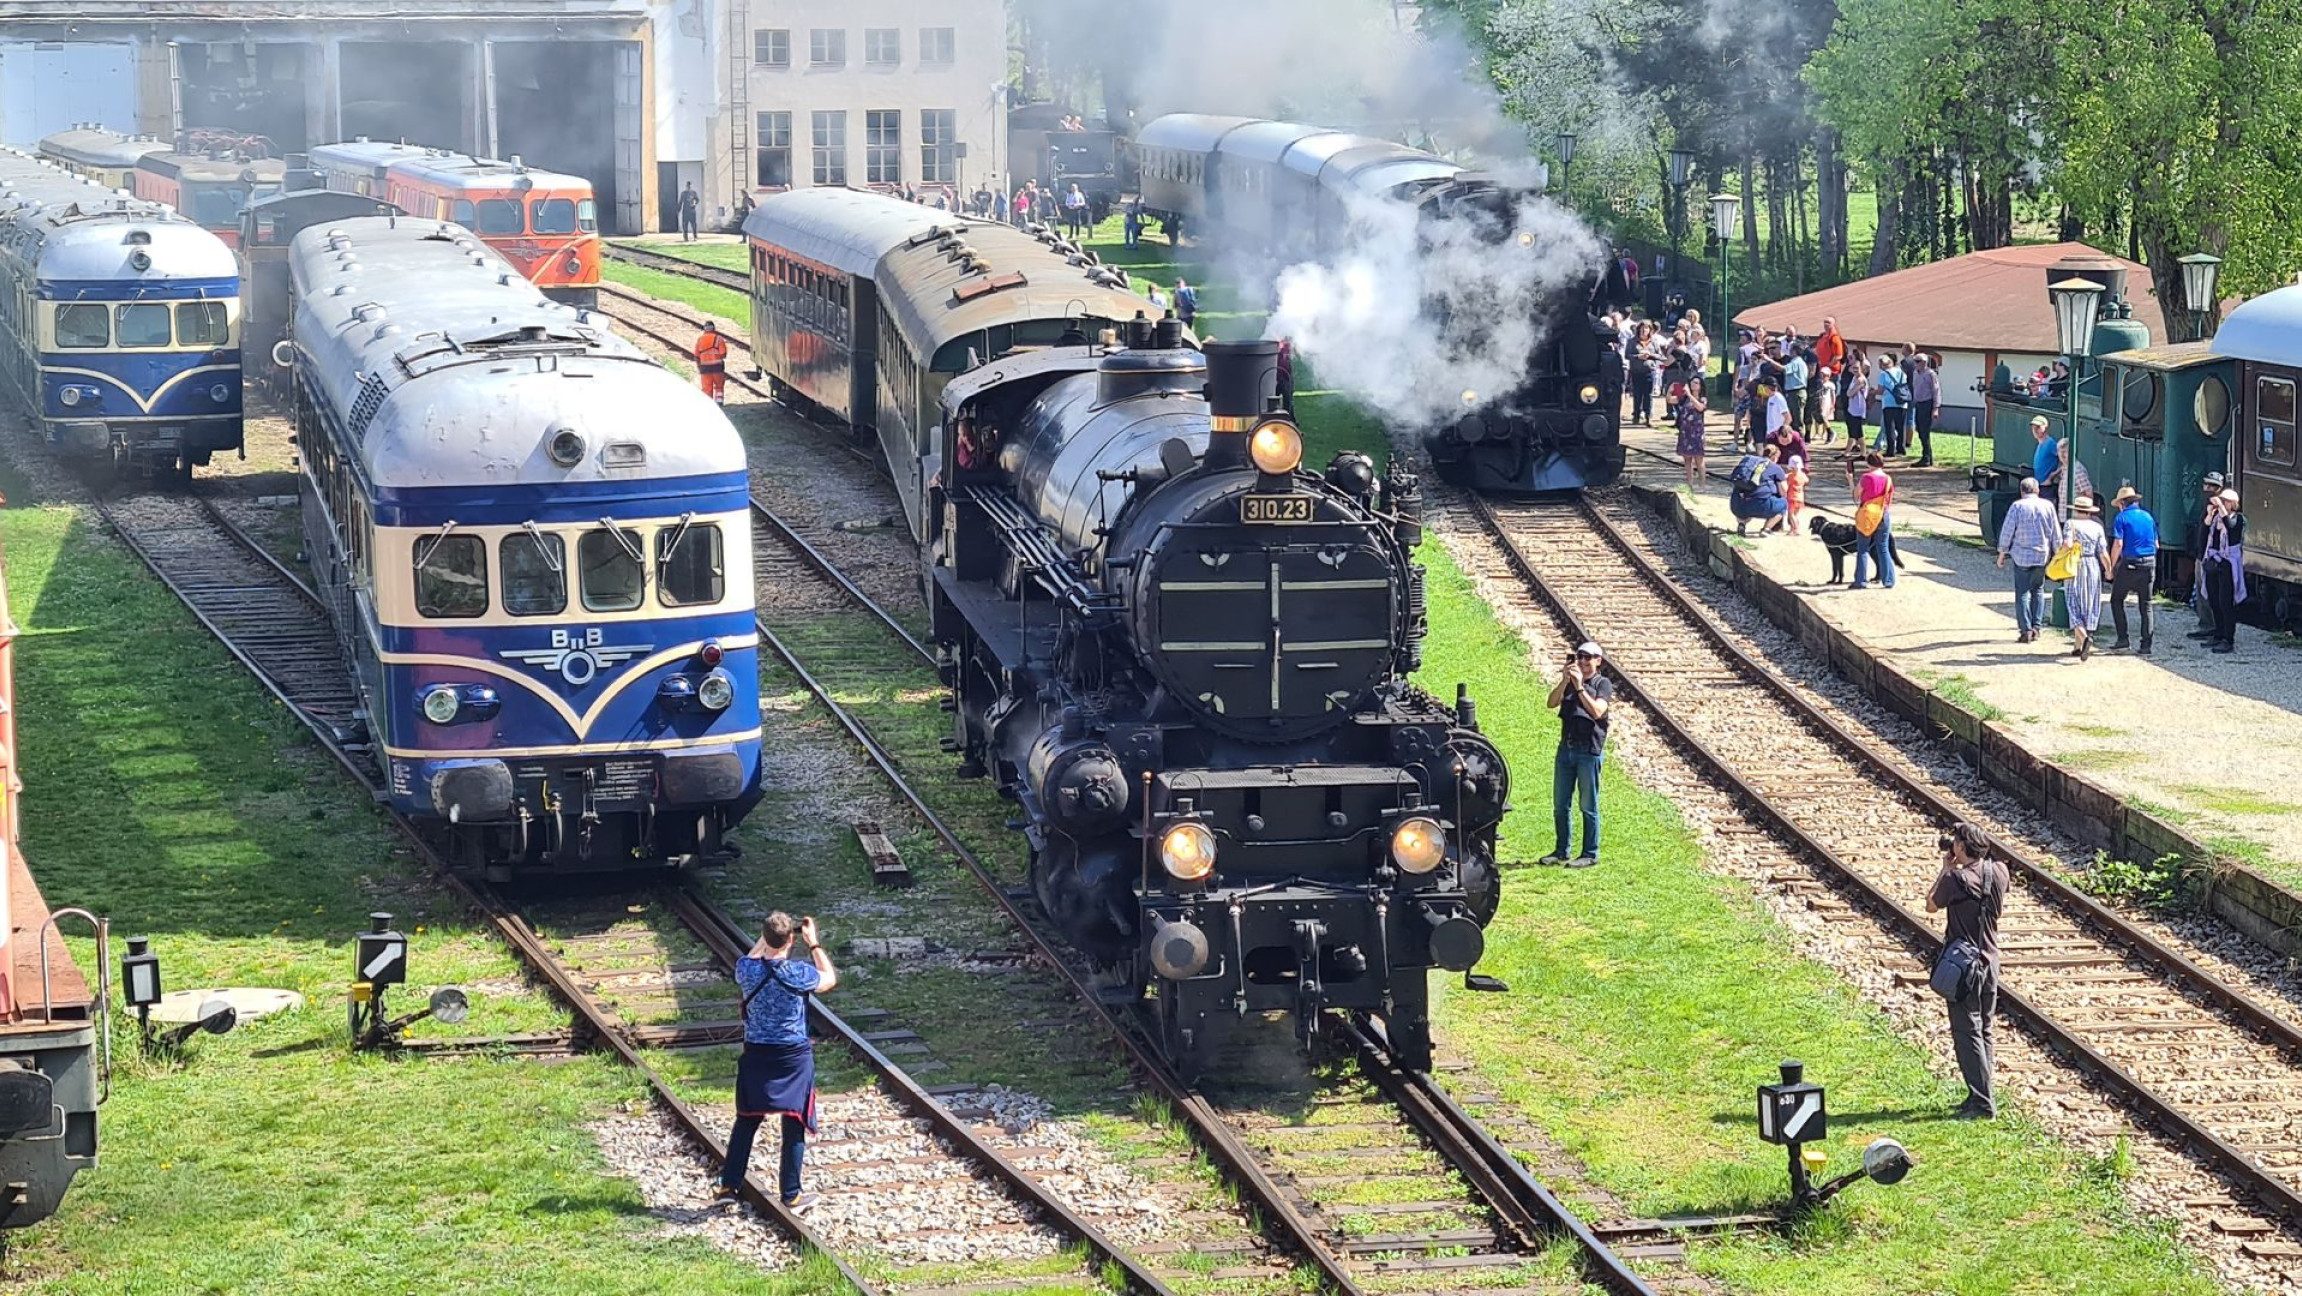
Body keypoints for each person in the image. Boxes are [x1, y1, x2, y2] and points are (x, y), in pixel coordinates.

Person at [714, 911, 840, 1208]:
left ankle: (728, 1186)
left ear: (764, 937)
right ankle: (791, 1193)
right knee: (794, 1120)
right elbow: (830, 978)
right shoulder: (799, 974)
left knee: (746, 1119)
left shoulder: (747, 970)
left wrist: (767, 937)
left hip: (756, 1054)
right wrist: (813, 943)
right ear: (791, 940)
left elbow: (754, 955)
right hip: (792, 1057)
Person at [1926, 823, 2008, 1119]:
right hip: (1990, 960)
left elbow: (1931, 905)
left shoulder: (1956, 879)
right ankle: (1982, 1094)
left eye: (1956, 843)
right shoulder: (1999, 871)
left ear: (1961, 847)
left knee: (1966, 1032)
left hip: (1965, 966)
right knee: (1984, 1029)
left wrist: (1945, 870)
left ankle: (1982, 1103)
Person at [1540, 642, 1613, 868]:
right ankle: (1561, 850)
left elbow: (1597, 711)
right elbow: (1551, 703)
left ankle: (1590, 853)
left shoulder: (1602, 684)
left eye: (1588, 658)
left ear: (1598, 661)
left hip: (1588, 751)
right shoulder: (1570, 683)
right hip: (1566, 749)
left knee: (1588, 805)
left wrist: (1580, 687)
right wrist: (1565, 681)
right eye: (1579, 657)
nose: (1582, 661)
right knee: (1560, 804)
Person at [1996, 477, 2060, 644]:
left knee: (2022, 592)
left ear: (2021, 490)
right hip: (2041, 556)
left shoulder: (2017, 506)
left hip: (2021, 556)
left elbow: (2007, 531)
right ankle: (2036, 627)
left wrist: (2002, 553)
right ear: (2037, 490)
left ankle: (2026, 630)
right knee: (2038, 590)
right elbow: (2055, 532)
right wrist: (2058, 552)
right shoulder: (2048, 506)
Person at [2105, 485, 2158, 654]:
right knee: (2146, 604)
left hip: (2130, 563)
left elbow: (2118, 544)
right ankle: (2146, 645)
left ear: (2122, 503)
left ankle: (2123, 639)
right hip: (2149, 562)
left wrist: (2110, 567)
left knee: (2116, 600)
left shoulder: (2121, 518)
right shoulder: (2148, 517)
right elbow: (2156, 544)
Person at [2062, 493, 2110, 659]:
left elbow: (2067, 544)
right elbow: (2103, 552)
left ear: (2076, 510)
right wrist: (2108, 569)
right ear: (2089, 511)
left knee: (2073, 602)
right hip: (2092, 565)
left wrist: (2061, 554)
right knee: (2089, 603)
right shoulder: (2097, 527)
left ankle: (2084, 638)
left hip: (2075, 564)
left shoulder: (2071, 524)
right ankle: (2077, 646)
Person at [2201, 486, 2246, 654]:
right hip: (2214, 560)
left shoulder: (2238, 519)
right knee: (2214, 599)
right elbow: (2204, 531)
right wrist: (2210, 515)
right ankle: (2218, 633)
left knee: (2225, 601)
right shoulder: (2216, 519)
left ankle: (2228, 638)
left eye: (2226, 501)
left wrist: (2221, 508)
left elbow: (2231, 527)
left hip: (2228, 563)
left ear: (2233, 503)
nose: (2223, 503)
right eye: (2222, 500)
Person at [2189, 471, 2230, 641]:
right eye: (2206, 485)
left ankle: (2214, 627)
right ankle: (2206, 624)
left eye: (2213, 486)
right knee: (2202, 591)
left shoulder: (2220, 509)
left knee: (2210, 593)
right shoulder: (2207, 506)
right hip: (2202, 554)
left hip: (2212, 556)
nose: (2208, 488)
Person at [1851, 452, 1896, 589]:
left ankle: (1860, 581)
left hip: (1867, 515)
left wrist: (1850, 480)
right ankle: (1889, 580)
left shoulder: (1866, 477)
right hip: (1883, 514)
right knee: (1883, 548)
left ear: (1868, 463)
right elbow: (1889, 499)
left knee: (1863, 549)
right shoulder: (1888, 479)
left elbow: (1855, 496)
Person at [1729, 450, 1789, 535]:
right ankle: (1766, 529)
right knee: (1783, 504)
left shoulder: (1750, 465)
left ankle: (1741, 524)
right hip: (1762, 505)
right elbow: (1784, 491)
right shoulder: (1776, 468)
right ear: (1774, 457)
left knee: (1743, 499)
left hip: (1738, 506)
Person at [1907, 353, 1940, 466]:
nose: (1915, 363)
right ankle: (1928, 457)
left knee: (1924, 431)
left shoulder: (1930, 374)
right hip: (1918, 404)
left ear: (1924, 362)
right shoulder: (1915, 373)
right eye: (1914, 361)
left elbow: (1936, 391)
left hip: (1927, 404)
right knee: (1920, 431)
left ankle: (1926, 458)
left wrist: (1935, 408)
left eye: (1918, 361)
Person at [1672, 381, 1707, 491]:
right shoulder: (1684, 398)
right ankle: (1689, 483)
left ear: (1700, 386)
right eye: (1692, 383)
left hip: (1697, 432)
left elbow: (1700, 408)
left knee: (1699, 459)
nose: (1693, 385)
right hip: (1685, 432)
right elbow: (1670, 400)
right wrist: (1670, 390)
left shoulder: (1702, 399)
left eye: (1696, 383)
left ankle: (1702, 484)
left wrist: (1690, 395)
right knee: (1687, 459)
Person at [1873, 353, 1908, 456]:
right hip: (1902, 402)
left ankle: (1891, 450)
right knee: (1901, 427)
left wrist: (1872, 392)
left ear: (1882, 364)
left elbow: (1880, 390)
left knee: (1890, 427)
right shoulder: (1902, 373)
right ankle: (1901, 448)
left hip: (1889, 403)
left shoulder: (1883, 374)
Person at [1626, 321, 1658, 426]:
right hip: (1636, 372)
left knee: (1648, 395)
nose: (1644, 330)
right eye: (1642, 328)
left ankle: (1648, 417)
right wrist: (1638, 356)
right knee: (1637, 395)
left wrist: (1650, 355)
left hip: (1649, 372)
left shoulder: (1654, 341)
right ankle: (1636, 416)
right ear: (1639, 329)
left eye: (1647, 328)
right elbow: (1627, 355)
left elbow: (1659, 355)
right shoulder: (1632, 341)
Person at [694, 321, 729, 405]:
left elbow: (696, 355)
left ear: (704, 329)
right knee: (719, 386)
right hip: (717, 367)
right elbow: (723, 354)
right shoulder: (719, 339)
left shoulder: (700, 339)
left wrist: (699, 366)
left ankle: (708, 404)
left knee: (707, 388)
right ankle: (719, 402)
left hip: (704, 367)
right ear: (714, 328)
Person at [1784, 453, 1810, 536]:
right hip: (1800, 498)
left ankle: (1796, 529)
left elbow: (1786, 485)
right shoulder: (1803, 475)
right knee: (1795, 515)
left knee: (1791, 515)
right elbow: (1807, 481)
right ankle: (1792, 529)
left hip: (1792, 498)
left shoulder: (1791, 476)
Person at [1275, 336, 1296, 414]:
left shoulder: (1288, 345)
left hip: (1286, 376)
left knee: (1288, 401)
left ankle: (1289, 418)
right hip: (1275, 376)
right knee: (1272, 401)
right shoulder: (1275, 342)